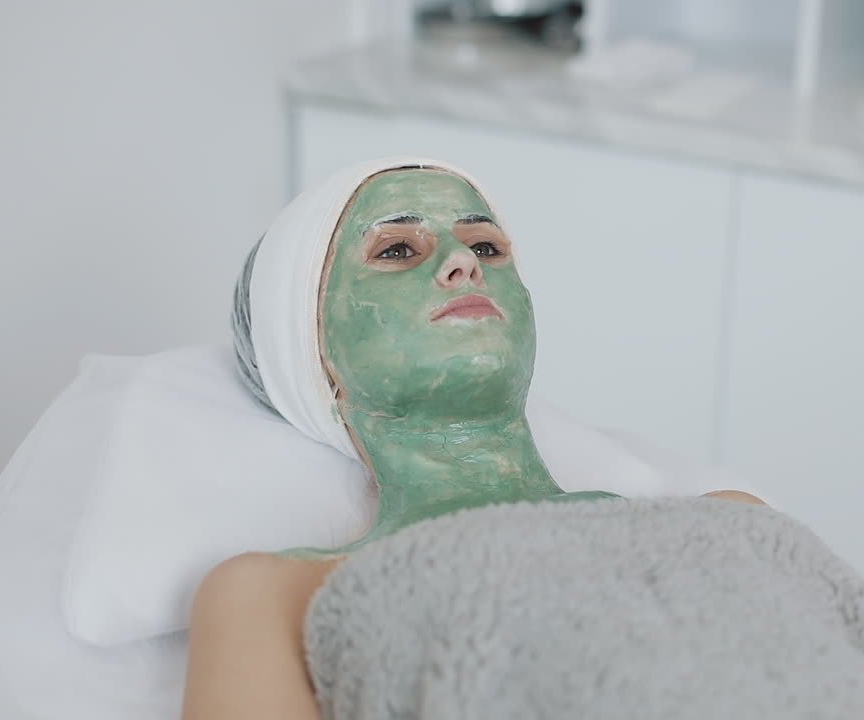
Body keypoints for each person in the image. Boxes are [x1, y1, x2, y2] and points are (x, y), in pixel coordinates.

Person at [182, 159, 763, 720]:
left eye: (486, 246)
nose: (463, 261)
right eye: (396, 251)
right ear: (315, 358)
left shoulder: (725, 528)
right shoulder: (273, 596)